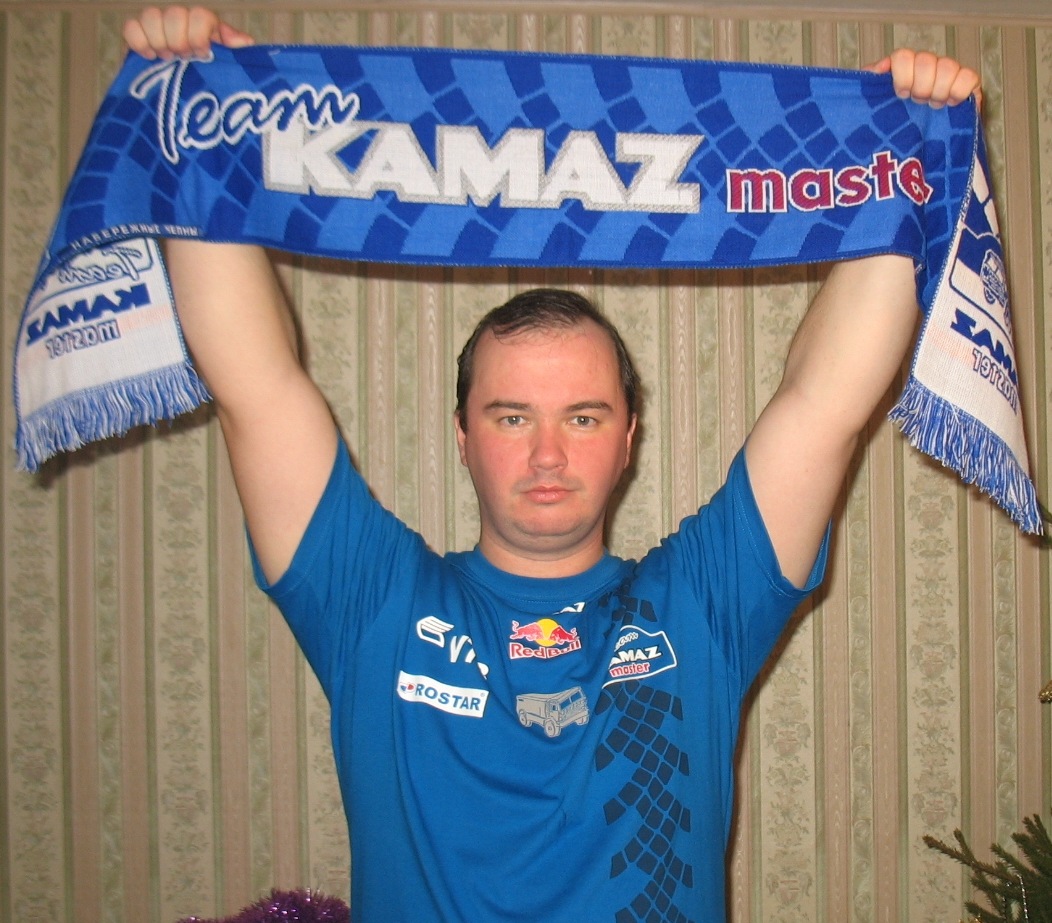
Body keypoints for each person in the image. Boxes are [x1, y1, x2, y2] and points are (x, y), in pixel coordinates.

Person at [125, 9, 981, 922]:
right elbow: (258, 385)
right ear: (462, 436)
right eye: (511, 417)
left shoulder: (697, 605)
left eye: (582, 416)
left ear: (628, 438)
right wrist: (205, 118)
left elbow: (823, 403)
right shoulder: (375, 602)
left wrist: (902, 155)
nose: (546, 453)